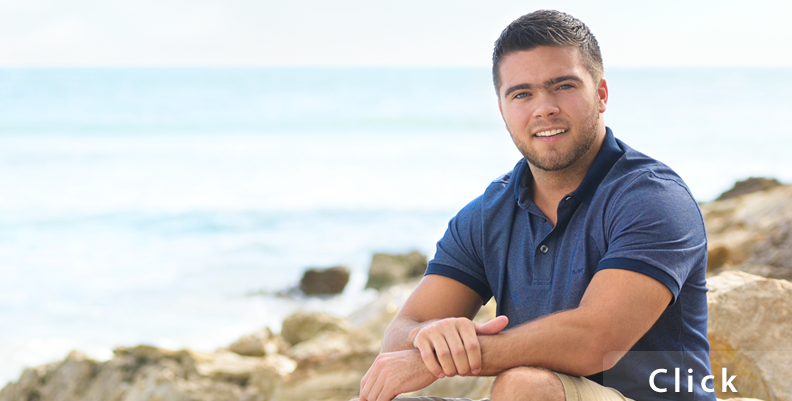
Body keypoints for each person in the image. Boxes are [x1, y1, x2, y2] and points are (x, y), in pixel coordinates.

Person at [356, 9, 713, 401]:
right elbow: (401, 336)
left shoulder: (652, 199)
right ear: (503, 110)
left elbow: (595, 340)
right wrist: (428, 337)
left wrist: (452, 355)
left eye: (563, 86)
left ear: (602, 94)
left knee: (524, 387)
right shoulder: (487, 213)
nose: (544, 108)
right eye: (522, 93)